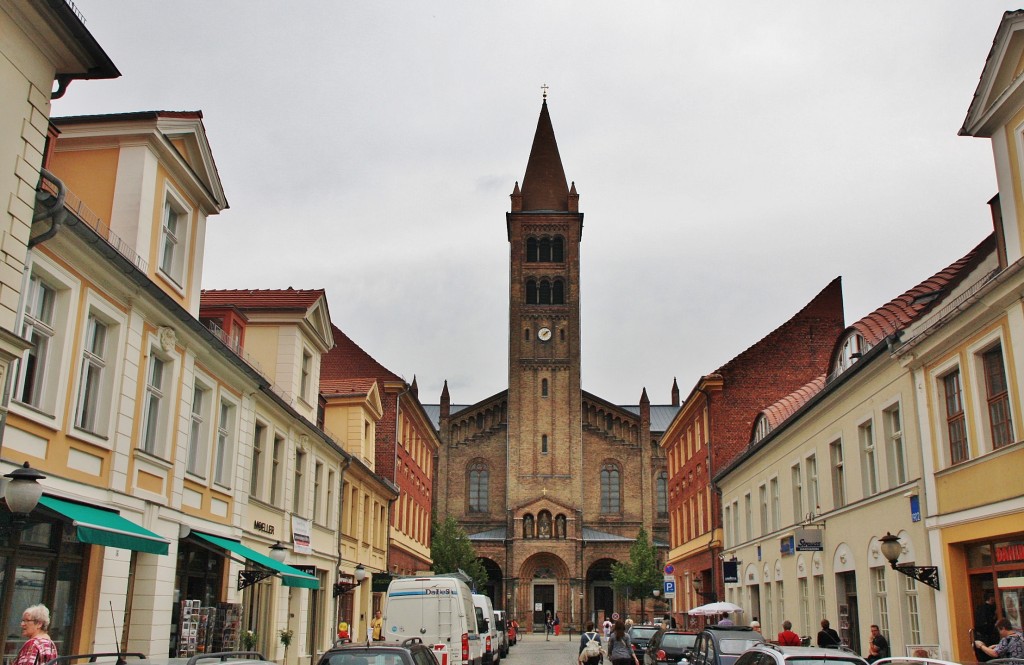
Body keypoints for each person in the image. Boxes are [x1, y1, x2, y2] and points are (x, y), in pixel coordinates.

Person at [975, 593, 998, 662]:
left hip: (981, 635)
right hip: (990, 635)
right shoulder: (991, 608)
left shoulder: (980, 608)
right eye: (993, 597)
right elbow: (991, 621)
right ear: (991, 598)